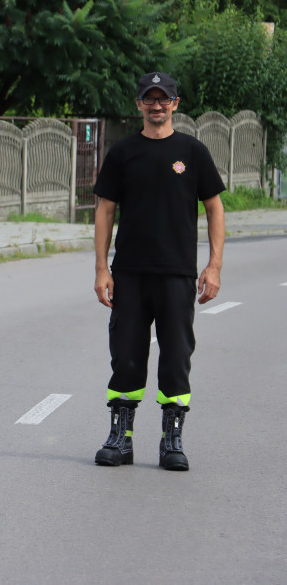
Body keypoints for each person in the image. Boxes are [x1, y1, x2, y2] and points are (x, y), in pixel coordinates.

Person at [92, 71, 225, 472]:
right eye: (149, 99)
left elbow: (215, 208)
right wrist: (102, 268)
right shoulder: (122, 153)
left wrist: (213, 266)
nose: (156, 105)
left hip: (177, 275)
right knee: (127, 357)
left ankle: (172, 440)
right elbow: (105, 210)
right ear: (138, 105)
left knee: (175, 358)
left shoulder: (193, 152)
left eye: (163, 99)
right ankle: (121, 437)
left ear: (175, 104)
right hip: (130, 273)